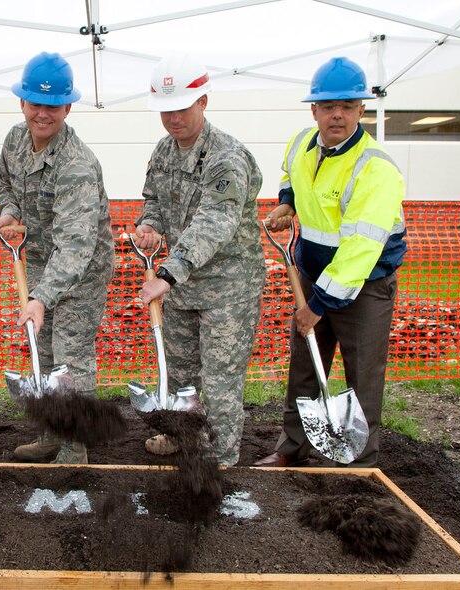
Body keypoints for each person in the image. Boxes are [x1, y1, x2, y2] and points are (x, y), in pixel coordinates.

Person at [255, 57, 407, 468]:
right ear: (314, 111)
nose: (336, 114)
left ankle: (360, 464)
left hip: (365, 284)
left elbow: (360, 250)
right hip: (311, 271)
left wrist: (317, 307)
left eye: (346, 105)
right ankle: (294, 448)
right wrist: (287, 203)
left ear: (361, 109)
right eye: (327, 106)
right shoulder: (301, 143)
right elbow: (290, 174)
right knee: (305, 367)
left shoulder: (375, 168)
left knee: (362, 376)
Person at [134, 54, 265, 467]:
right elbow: (152, 198)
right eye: (165, 110)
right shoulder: (164, 151)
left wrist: (168, 273)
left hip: (228, 287)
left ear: (203, 101)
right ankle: (182, 437)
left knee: (221, 378)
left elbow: (215, 222)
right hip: (182, 286)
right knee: (181, 372)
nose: (174, 119)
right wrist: (149, 225)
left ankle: (220, 455)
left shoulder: (226, 157)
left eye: (182, 108)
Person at [0, 52, 115, 465]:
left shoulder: (76, 165)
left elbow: (78, 248)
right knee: (41, 350)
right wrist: (9, 212)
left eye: (52, 106)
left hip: (82, 270)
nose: (42, 114)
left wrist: (40, 299)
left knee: (69, 355)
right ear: (22, 103)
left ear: (67, 106)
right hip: (42, 262)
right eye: (35, 104)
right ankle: (50, 434)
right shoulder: (14, 140)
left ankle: (74, 447)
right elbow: (3, 180)